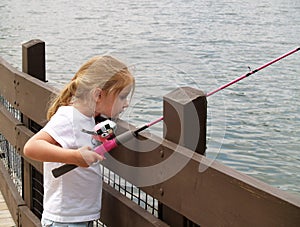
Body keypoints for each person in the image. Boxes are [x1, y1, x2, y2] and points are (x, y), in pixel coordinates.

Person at [23, 55, 135, 226]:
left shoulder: (89, 118)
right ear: (98, 95)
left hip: (80, 217)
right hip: (65, 220)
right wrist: (74, 157)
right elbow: (31, 147)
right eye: (122, 97)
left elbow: (83, 140)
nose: (126, 104)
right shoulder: (68, 117)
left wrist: (102, 137)